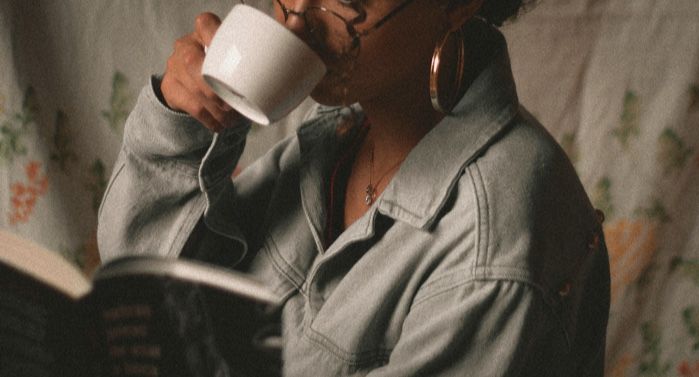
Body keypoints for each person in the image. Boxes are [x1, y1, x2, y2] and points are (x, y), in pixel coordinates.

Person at [98, 0, 611, 375]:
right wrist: (180, 123)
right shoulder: (342, 139)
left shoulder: (493, 244)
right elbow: (145, 302)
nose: (297, 17)